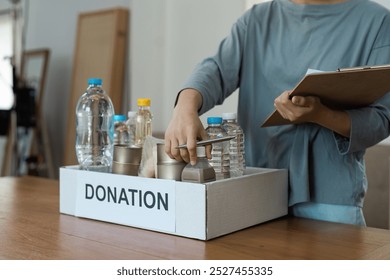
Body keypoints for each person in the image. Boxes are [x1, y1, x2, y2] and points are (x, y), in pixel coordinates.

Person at [164, 0, 390, 226]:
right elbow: (216, 71)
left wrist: (320, 114)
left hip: (329, 203)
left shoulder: (377, 22)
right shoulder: (255, 21)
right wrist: (185, 106)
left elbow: (382, 119)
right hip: (256, 193)